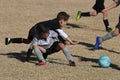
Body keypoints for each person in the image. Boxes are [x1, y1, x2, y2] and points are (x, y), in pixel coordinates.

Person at [5, 11, 77, 61]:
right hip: (35, 30)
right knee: (37, 43)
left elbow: (58, 35)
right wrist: (71, 41)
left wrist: (65, 41)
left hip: (36, 28)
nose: (66, 24)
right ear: (61, 21)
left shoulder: (56, 22)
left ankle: (10, 40)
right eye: (66, 22)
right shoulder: (55, 24)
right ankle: (43, 58)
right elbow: (62, 34)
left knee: (29, 41)